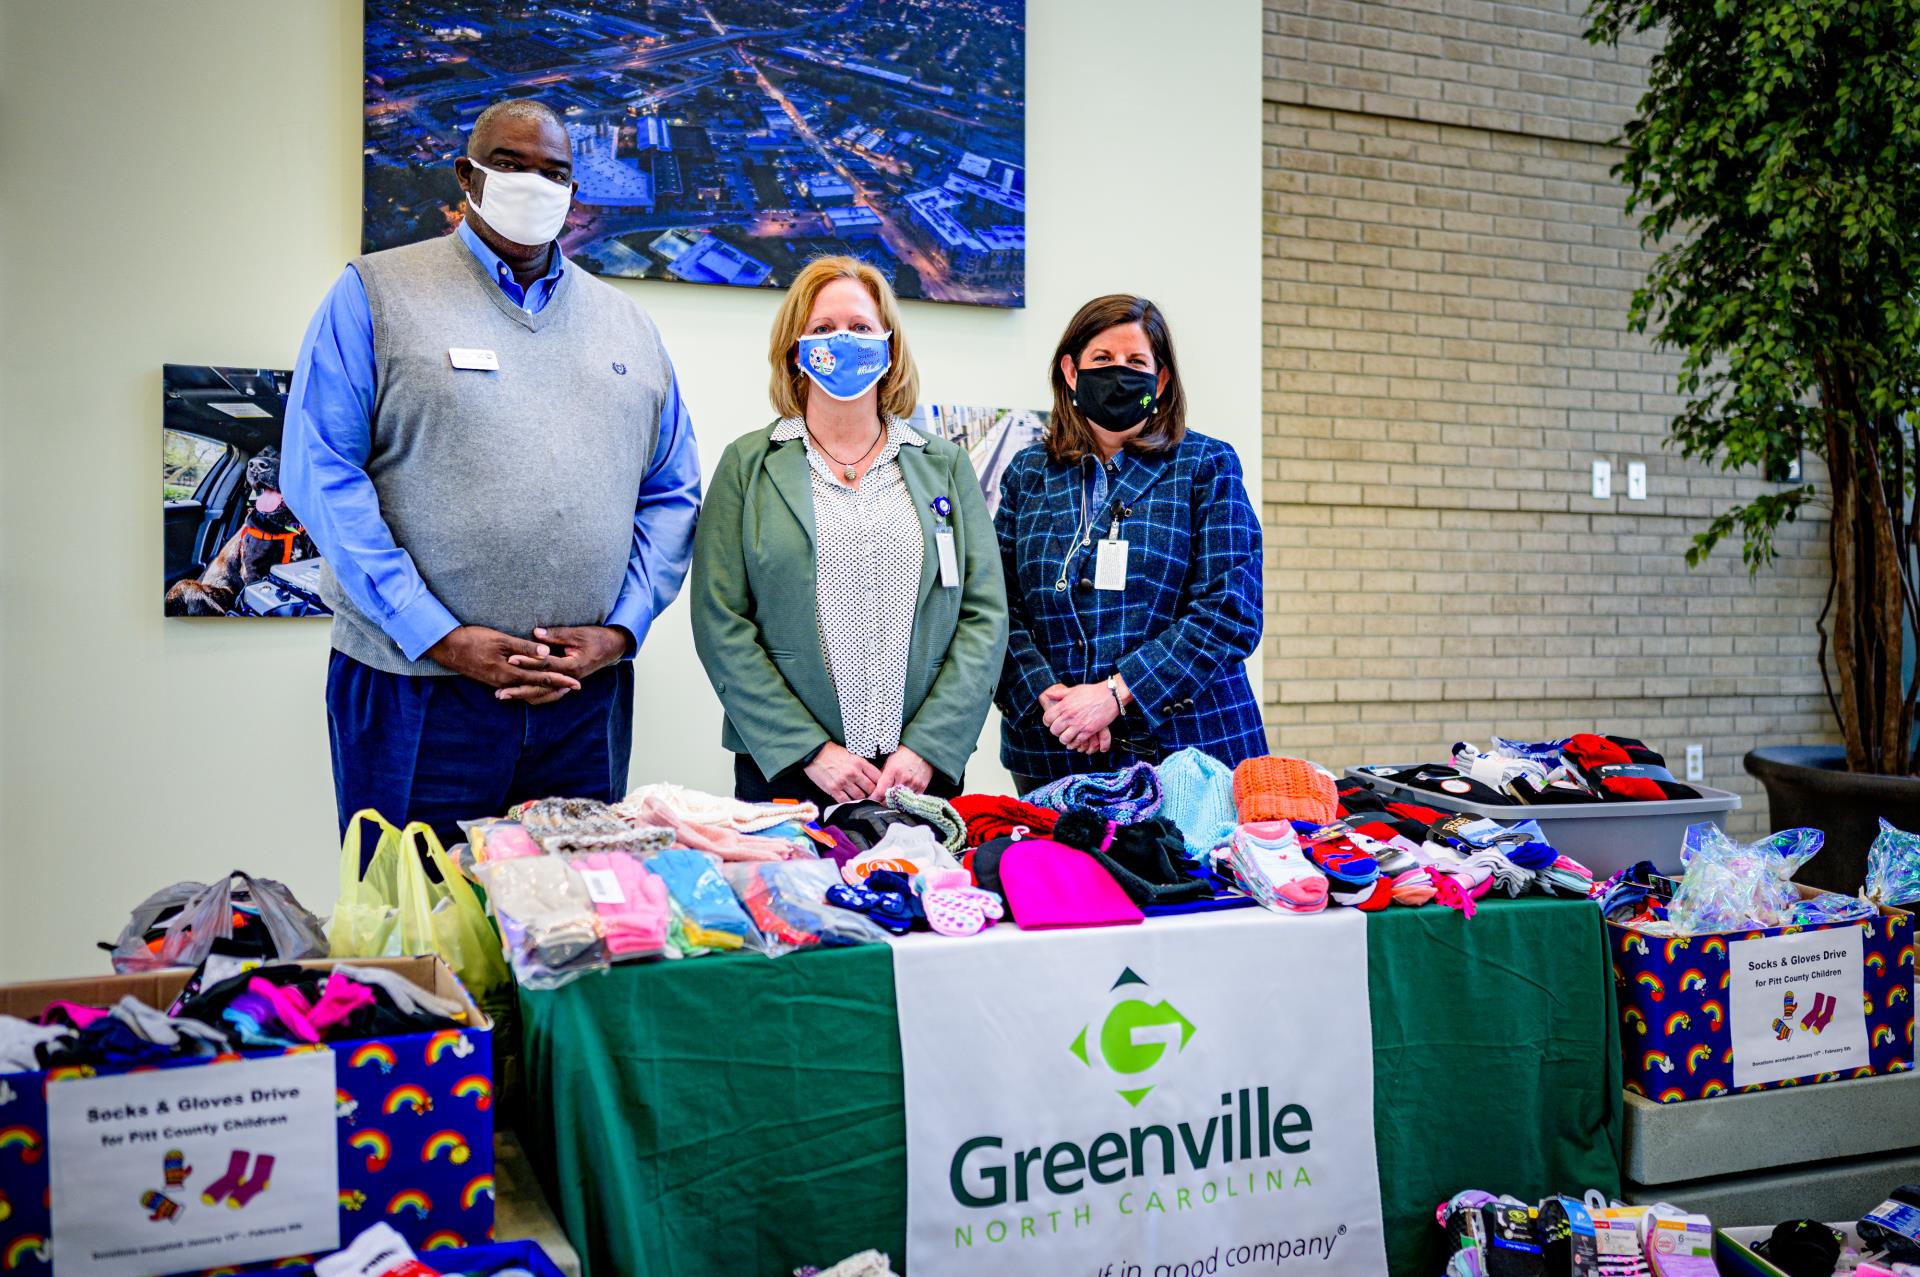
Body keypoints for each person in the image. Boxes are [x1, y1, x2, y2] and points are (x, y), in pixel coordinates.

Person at [282, 98, 701, 854]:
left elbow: (672, 494)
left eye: (555, 172)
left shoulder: (629, 327)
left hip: (582, 700)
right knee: (418, 927)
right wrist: (435, 633)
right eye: (510, 165)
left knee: (575, 934)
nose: (534, 184)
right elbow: (321, 474)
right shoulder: (376, 294)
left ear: (577, 194)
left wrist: (620, 629)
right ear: (466, 175)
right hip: (419, 691)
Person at [690, 256, 1007, 806]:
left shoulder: (945, 466)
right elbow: (720, 621)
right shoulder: (747, 465)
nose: (844, 341)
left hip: (920, 771)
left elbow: (984, 615)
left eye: (861, 328)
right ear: (796, 349)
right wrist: (811, 751)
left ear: (888, 347)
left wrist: (928, 747)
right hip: (788, 768)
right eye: (823, 329)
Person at [994, 294, 1266, 794]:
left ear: (1160, 380)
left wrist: (1117, 694)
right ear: (1072, 372)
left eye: (1136, 362)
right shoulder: (1027, 474)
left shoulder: (1205, 466)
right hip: (1053, 747)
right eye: (1102, 360)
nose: (1119, 373)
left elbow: (1231, 611)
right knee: (1056, 875)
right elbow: (995, 606)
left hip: (1189, 751)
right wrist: (1045, 696)